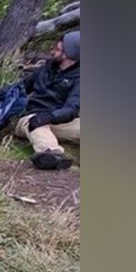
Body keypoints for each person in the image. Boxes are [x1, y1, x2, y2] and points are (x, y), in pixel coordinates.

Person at [13, 30, 81, 170]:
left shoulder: (80, 78)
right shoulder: (46, 68)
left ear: (69, 54)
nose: (53, 50)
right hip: (31, 118)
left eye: (58, 49)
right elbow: (21, 88)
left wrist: (50, 116)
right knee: (35, 123)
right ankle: (52, 155)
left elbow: (72, 109)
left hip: (59, 121)